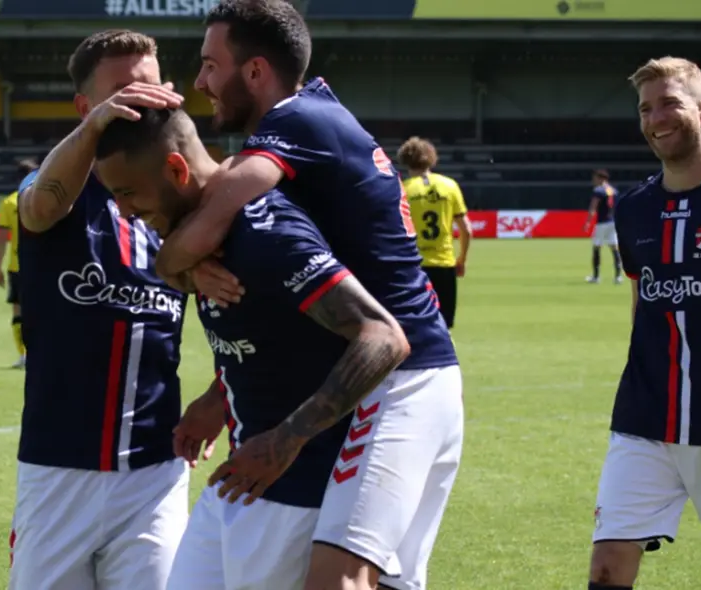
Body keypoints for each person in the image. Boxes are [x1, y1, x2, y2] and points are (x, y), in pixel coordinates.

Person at [153, 2, 464, 589]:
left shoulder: (295, 124)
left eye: (209, 64)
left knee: (339, 580)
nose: (199, 82)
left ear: (255, 73)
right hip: (409, 371)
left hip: (397, 378)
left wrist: (177, 267)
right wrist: (222, 395)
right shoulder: (317, 114)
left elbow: (217, 204)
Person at [96, 105, 422, 590]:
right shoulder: (204, 239)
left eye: (127, 193)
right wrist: (217, 399)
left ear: (176, 169)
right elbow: (271, 334)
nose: (122, 211)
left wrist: (286, 439)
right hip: (237, 483)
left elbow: (382, 337)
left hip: (291, 491)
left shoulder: (264, 232)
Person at [7, 30, 203, 590]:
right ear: (84, 106)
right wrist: (95, 131)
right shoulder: (57, 188)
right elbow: (40, 207)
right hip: (57, 469)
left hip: (154, 474)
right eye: (121, 91)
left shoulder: (186, 198)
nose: (137, 101)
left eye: (149, 86)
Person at [588, 56, 701, 590]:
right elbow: (640, 305)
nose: (656, 118)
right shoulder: (633, 208)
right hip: (644, 417)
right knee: (606, 572)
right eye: (645, 108)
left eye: (669, 102)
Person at [397, 137, 471, 329]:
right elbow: (466, 230)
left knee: (414, 324)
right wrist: (461, 259)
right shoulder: (450, 185)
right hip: (444, 263)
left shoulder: (402, 189)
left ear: (405, 159)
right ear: (432, 158)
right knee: (443, 326)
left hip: (414, 266)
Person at [0, 159, 39, 368]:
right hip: (41, 264)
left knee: (18, 311)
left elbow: (2, 238)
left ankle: (24, 354)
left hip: (16, 265)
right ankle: (41, 352)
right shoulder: (42, 201)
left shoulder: (9, 203)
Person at [582, 169, 623, 285]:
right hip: (613, 222)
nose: (594, 180)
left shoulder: (598, 191)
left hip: (602, 223)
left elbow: (593, 207)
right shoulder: (613, 190)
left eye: (595, 178)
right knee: (614, 248)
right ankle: (618, 276)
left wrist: (588, 222)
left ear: (601, 178)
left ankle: (596, 277)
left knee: (596, 247)